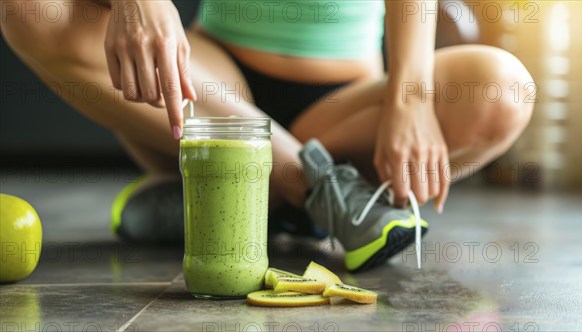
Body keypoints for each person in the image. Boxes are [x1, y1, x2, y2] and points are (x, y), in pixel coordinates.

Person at [1, 0, 534, 271]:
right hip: (208, 85)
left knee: (504, 91)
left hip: (343, 109)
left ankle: (231, 196)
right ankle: (315, 188)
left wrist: (411, 98)